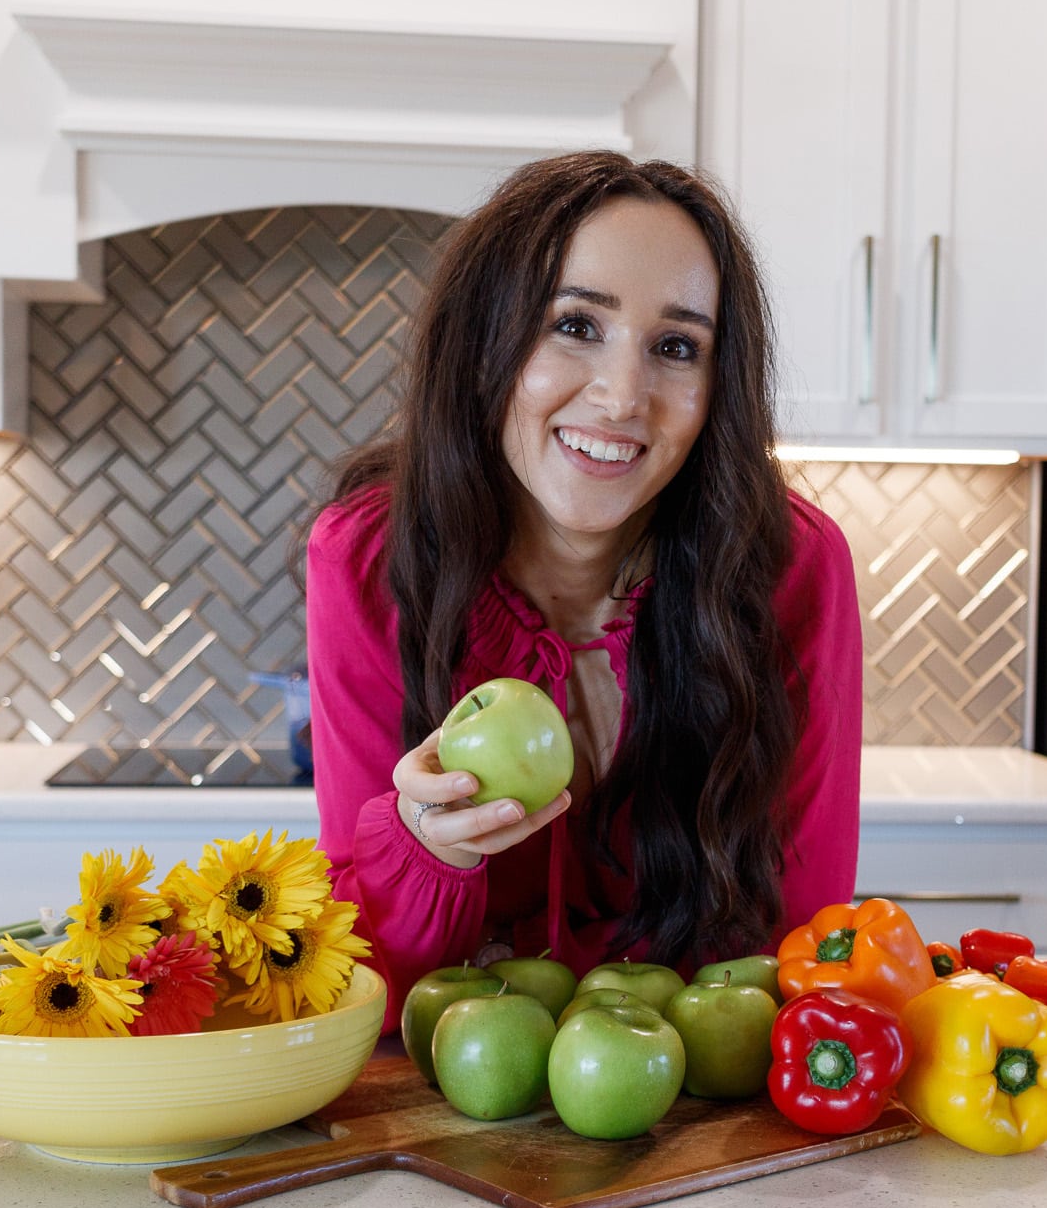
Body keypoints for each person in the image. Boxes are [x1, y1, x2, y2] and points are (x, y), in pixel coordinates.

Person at [305, 150, 862, 1033]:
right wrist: (423, 849)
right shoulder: (372, 560)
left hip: (710, 1118)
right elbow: (362, 980)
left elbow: (802, 939)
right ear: (487, 337)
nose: (621, 396)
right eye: (575, 324)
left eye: (676, 347)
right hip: (449, 1111)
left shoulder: (791, 567)